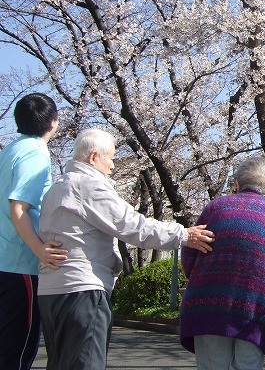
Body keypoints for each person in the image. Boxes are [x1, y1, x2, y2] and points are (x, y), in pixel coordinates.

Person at [37, 128, 214, 370]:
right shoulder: (88, 185)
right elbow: (131, 225)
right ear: (93, 157)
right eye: (110, 158)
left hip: (51, 291)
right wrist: (183, 234)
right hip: (83, 289)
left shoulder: (57, 188)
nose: (113, 165)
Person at [179, 155, 265, 370]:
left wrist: (202, 277)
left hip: (207, 302)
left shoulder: (214, 207)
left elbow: (190, 251)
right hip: (253, 308)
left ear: (237, 184)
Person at [0, 93, 68, 370]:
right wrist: (39, 250)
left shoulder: (11, 149)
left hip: (5, 261)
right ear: (53, 122)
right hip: (21, 266)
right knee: (17, 352)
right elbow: (19, 208)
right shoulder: (36, 152)